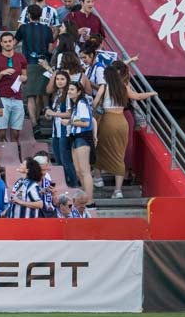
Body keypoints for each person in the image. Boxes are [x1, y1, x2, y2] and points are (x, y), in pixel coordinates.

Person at [94, 62, 156, 199]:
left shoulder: (104, 87)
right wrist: (152, 93)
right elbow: (138, 96)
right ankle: (118, 191)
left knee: (100, 149)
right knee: (119, 155)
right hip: (122, 121)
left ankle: (98, 179)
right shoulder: (124, 87)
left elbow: (95, 103)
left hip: (107, 120)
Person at [16, 4, 54, 130]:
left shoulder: (23, 28)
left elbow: (14, 43)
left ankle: (33, 123)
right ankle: (37, 118)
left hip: (29, 64)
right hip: (44, 63)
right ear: (41, 15)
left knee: (30, 95)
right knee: (40, 93)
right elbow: (50, 48)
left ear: (28, 15)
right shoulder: (48, 29)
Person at [0, 32, 27, 144]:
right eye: (5, 42)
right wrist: (2, 73)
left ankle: (15, 155)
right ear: (1, 43)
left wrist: (24, 78)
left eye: (10, 41)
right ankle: (1, 157)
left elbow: (25, 76)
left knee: (16, 133)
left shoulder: (21, 57)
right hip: (2, 99)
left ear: (14, 41)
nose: (8, 44)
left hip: (18, 98)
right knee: (1, 132)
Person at [63, 82, 96, 213]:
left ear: (78, 92)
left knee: (84, 171)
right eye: (68, 89)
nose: (69, 91)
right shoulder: (76, 104)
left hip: (83, 137)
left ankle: (90, 201)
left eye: (72, 89)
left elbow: (86, 121)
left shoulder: (82, 103)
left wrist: (70, 121)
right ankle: (86, 199)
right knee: (78, 171)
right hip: (76, 137)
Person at [44, 70, 79, 188]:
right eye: (57, 79)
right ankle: (64, 183)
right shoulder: (55, 94)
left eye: (62, 79)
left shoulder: (68, 94)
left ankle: (74, 184)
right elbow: (55, 113)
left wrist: (53, 114)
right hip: (56, 131)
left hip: (65, 131)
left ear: (67, 80)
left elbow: (69, 114)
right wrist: (49, 115)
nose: (59, 81)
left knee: (66, 160)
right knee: (58, 160)